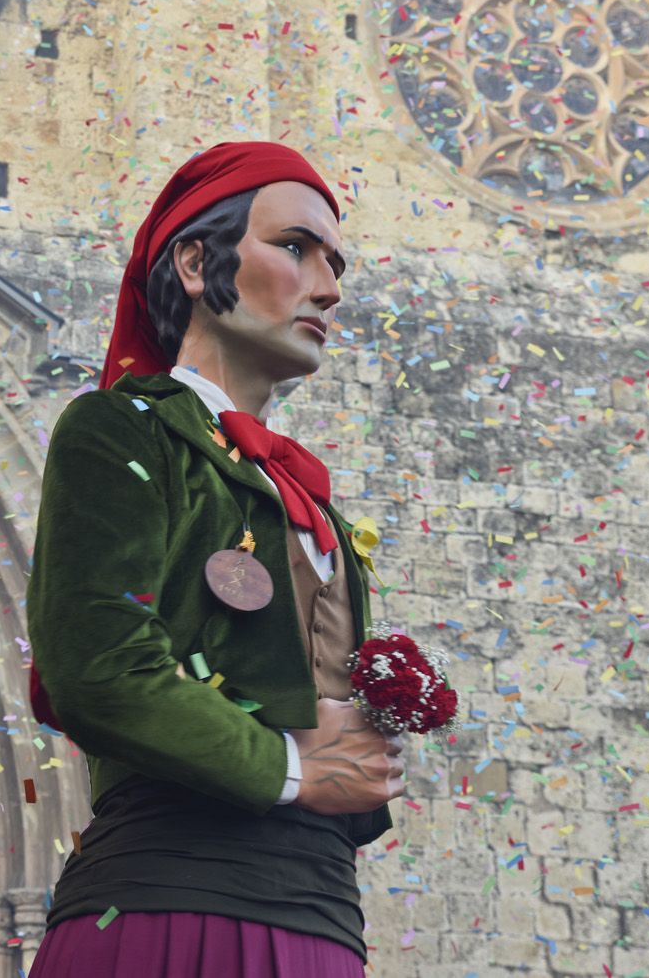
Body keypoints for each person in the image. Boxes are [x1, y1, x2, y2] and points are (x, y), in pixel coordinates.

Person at [27, 142, 404, 977]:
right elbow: (99, 667)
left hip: (322, 917)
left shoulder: (317, 505)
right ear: (196, 264)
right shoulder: (122, 430)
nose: (330, 288)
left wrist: (369, 745)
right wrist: (292, 767)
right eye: (297, 247)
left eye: (336, 263)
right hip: (170, 907)